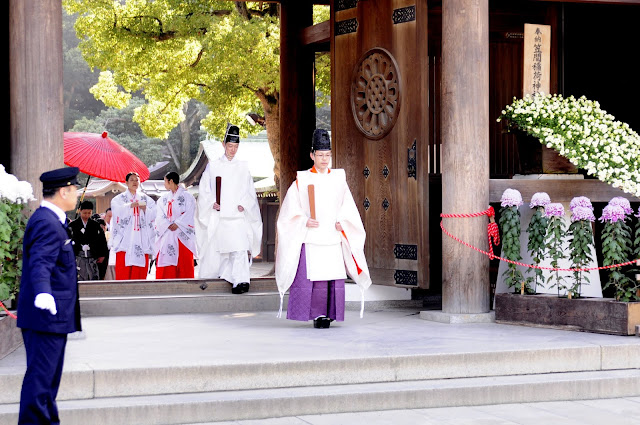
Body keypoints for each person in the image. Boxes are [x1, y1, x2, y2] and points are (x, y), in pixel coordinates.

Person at [275, 129, 371, 328]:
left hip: (333, 234)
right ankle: (318, 314)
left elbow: (348, 207)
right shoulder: (301, 180)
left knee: (332, 276)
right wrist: (303, 220)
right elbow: (289, 212)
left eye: (327, 155)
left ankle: (330, 313)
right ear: (312, 155)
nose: (324, 159)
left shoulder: (338, 179)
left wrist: (343, 222)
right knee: (315, 276)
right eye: (320, 155)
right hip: (311, 235)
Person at [17, 166, 83, 424]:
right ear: (64, 190)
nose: (77, 193)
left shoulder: (53, 220)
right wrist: (43, 292)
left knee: (47, 384)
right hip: (45, 317)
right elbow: (41, 263)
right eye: (74, 189)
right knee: (41, 382)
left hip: (52, 318)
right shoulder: (46, 222)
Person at [196, 124, 262, 294]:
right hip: (219, 216)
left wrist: (245, 204)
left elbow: (250, 191)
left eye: (236, 147)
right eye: (230, 146)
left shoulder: (243, 166)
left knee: (239, 249)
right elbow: (204, 190)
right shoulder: (213, 166)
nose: (233, 150)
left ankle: (241, 281)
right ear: (224, 144)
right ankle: (223, 277)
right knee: (220, 250)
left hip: (238, 216)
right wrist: (212, 202)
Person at [110, 171, 157, 280]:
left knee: (139, 275)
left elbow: (154, 214)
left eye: (137, 180)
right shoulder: (118, 199)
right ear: (126, 182)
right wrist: (130, 206)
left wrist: (145, 209)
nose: (135, 182)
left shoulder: (146, 199)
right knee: (123, 275)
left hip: (141, 238)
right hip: (125, 239)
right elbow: (117, 212)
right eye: (131, 180)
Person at [154, 171, 198, 279]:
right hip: (167, 232)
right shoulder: (163, 199)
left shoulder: (188, 197)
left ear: (171, 181)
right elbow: (159, 215)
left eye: (165, 181)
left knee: (183, 262)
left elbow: (191, 212)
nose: (164, 184)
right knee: (166, 261)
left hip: (182, 234)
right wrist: (167, 224)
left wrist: (178, 223)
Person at [69, 201, 108, 281]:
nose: (87, 215)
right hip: (78, 256)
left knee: (93, 276)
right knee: (79, 277)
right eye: (84, 213)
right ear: (80, 211)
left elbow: (102, 241)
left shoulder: (95, 225)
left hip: (92, 256)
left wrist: (102, 255)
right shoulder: (73, 225)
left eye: (89, 213)